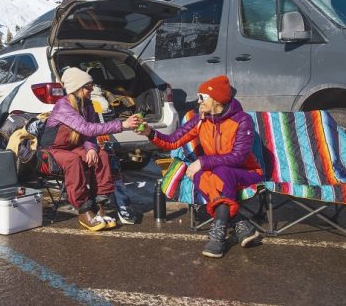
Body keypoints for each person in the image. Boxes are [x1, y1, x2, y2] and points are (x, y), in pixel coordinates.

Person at [131, 75, 263, 258]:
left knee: (219, 172)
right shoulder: (200, 119)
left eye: (202, 97)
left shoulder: (242, 120)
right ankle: (240, 223)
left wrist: (202, 161)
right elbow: (172, 141)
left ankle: (218, 235)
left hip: (246, 172)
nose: (198, 101)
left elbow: (238, 157)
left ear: (216, 99)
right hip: (215, 174)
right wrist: (149, 132)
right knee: (200, 175)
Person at [39, 67, 140, 231]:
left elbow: (89, 134)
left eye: (91, 85)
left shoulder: (88, 105)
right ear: (76, 88)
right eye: (88, 86)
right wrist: (122, 124)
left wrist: (91, 148)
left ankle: (99, 205)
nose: (91, 89)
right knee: (73, 161)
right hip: (51, 150)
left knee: (102, 155)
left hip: (73, 147)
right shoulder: (63, 106)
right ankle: (84, 210)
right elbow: (87, 128)